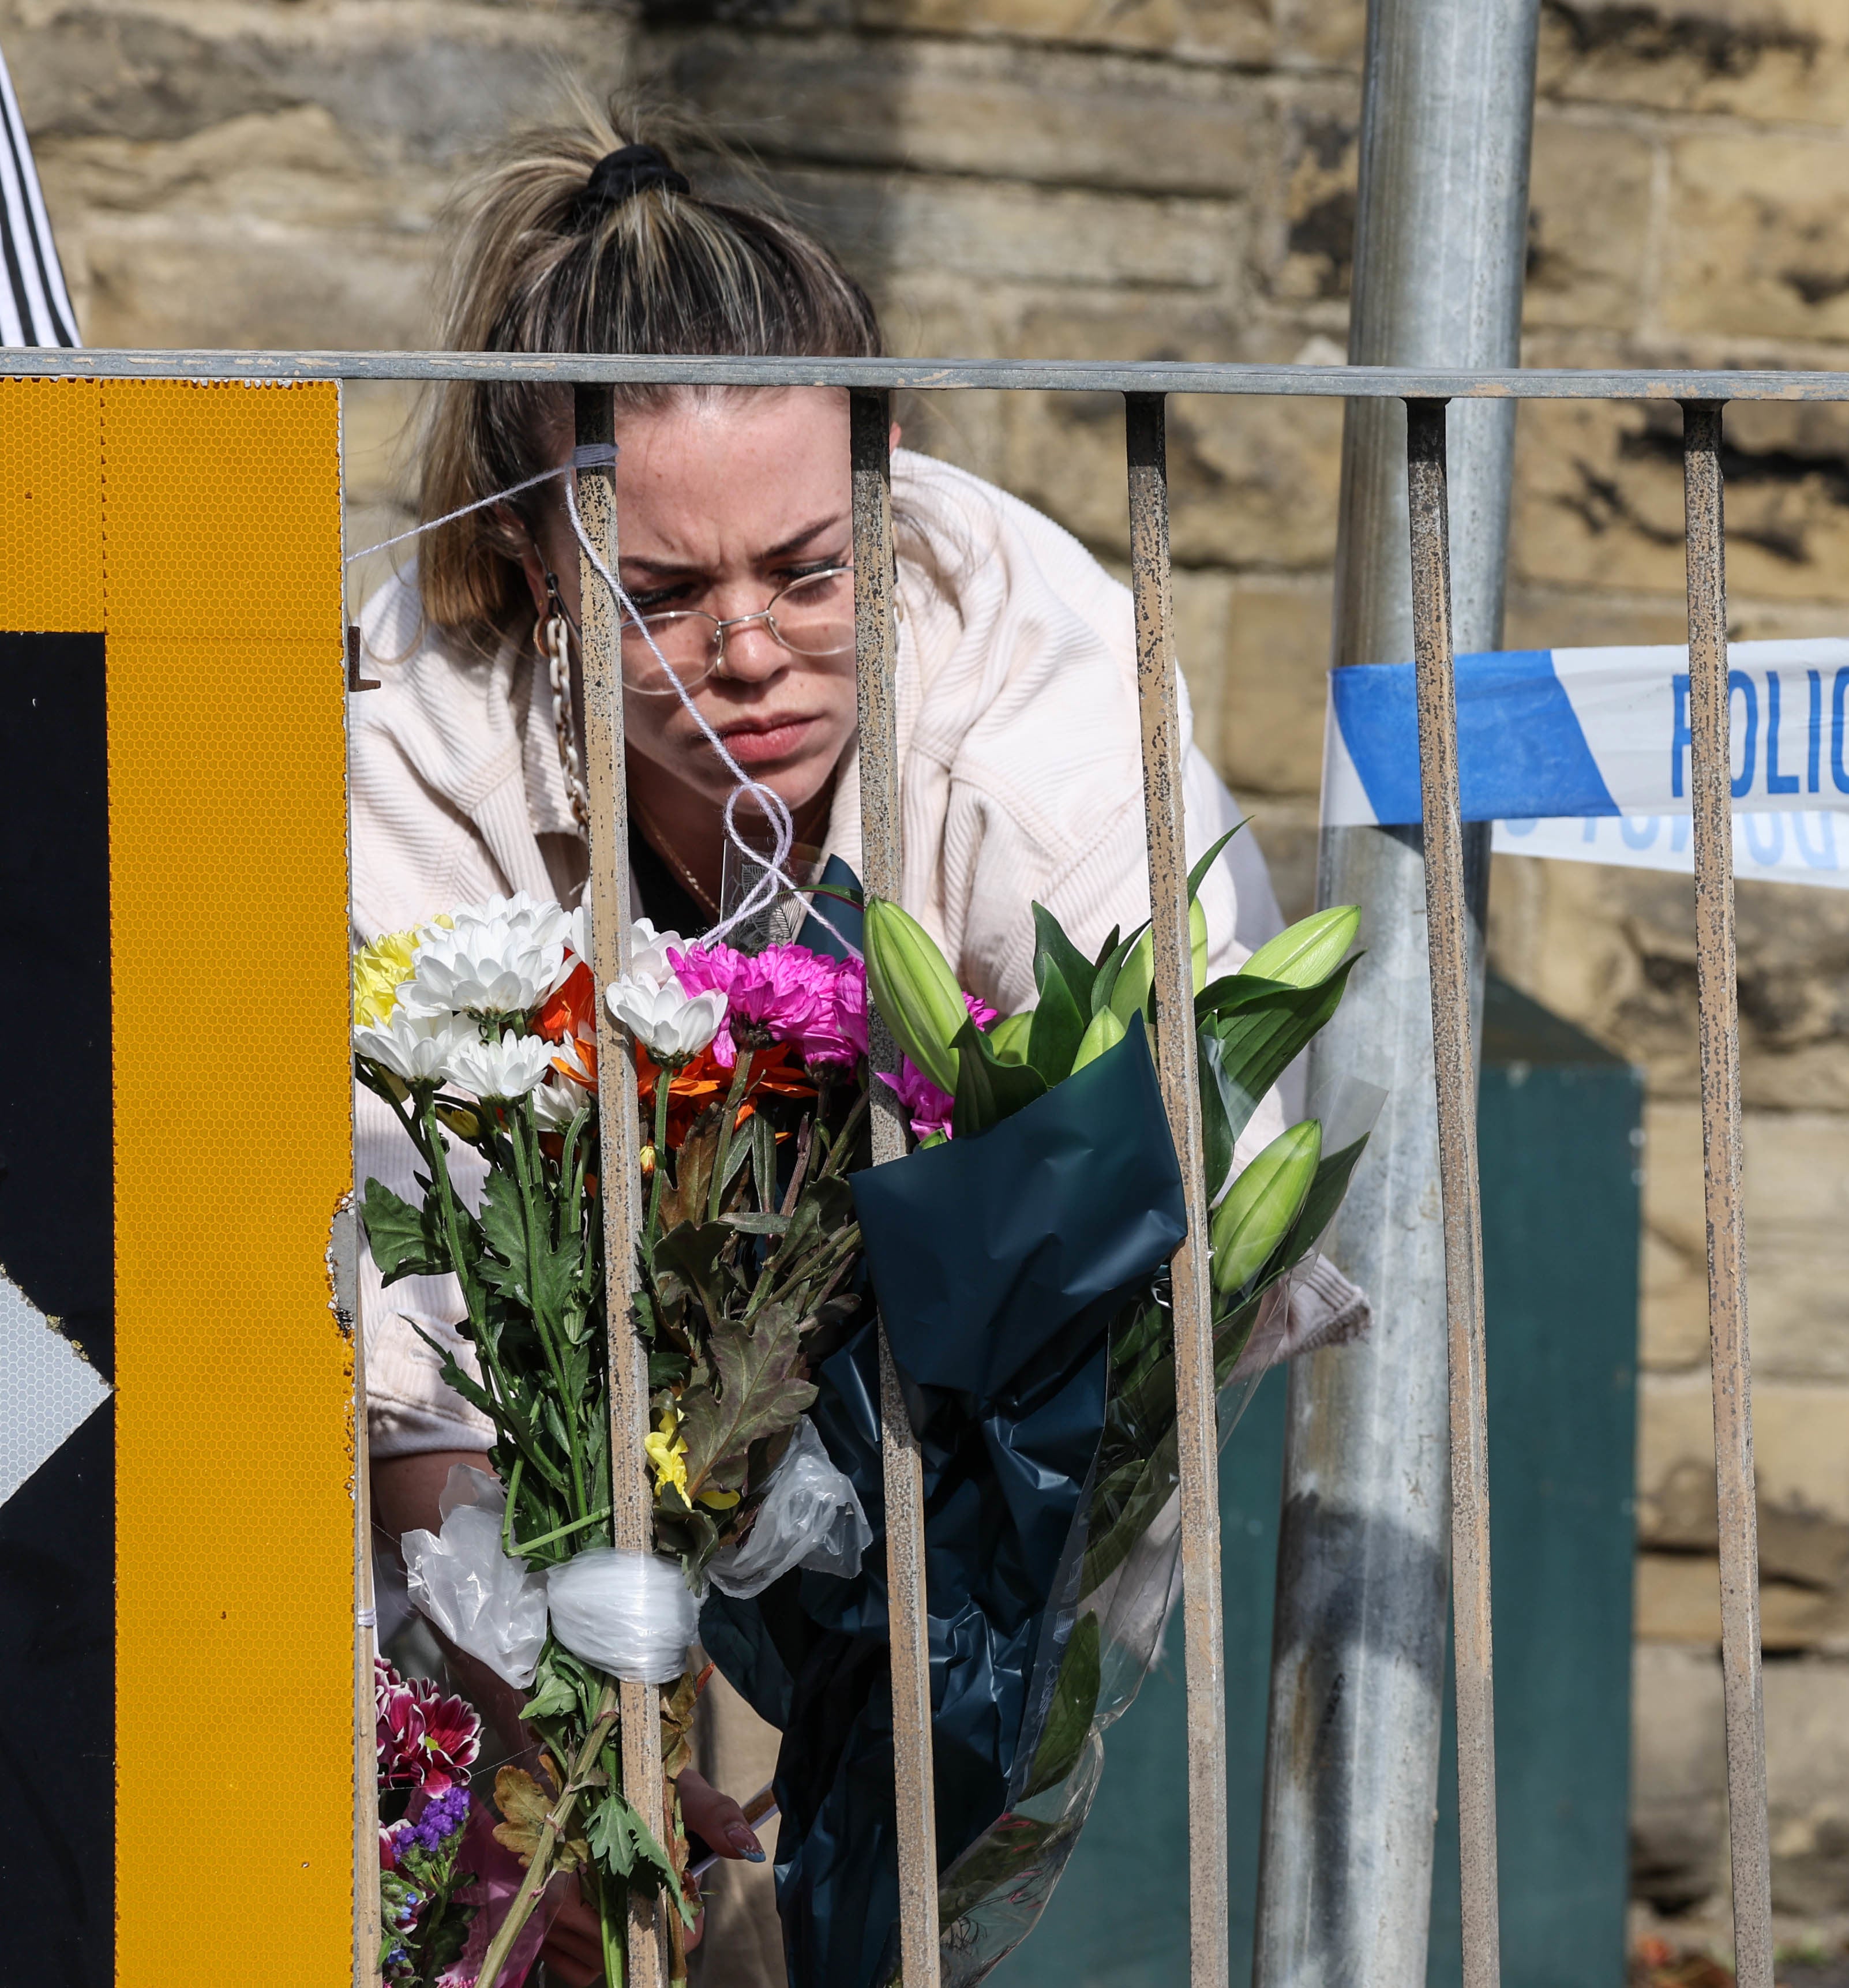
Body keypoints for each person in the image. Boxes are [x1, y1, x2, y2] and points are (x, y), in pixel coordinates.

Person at [350, 106, 1293, 1983]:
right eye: (664, 593)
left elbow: (1148, 1266)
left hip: (967, 1347)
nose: (754, 652)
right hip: (565, 1330)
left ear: (884, 485)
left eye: (805, 567)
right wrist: (536, 1741)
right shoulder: (413, 743)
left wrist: (932, 1760)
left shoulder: (1046, 730)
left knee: (900, 1853)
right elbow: (409, 1300)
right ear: (538, 557)